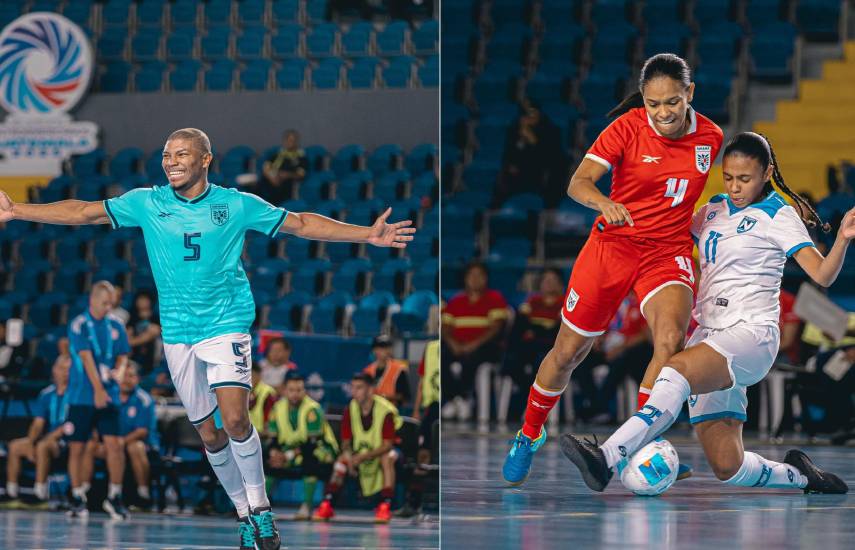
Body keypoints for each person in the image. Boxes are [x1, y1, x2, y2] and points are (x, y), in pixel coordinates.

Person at [0, 127, 414, 550]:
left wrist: (366, 234)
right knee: (210, 436)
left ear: (205, 160)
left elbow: (302, 223)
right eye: (167, 155)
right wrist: (17, 210)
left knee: (234, 420)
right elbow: (84, 212)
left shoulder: (236, 204)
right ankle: (243, 514)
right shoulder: (147, 202)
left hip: (225, 324)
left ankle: (261, 508)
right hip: (178, 335)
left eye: (182, 154)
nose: (171, 162)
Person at [561, 132, 853, 495]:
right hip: (710, 336)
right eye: (728, 177)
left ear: (767, 173)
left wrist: (843, 238)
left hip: (752, 336)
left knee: (675, 370)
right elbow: (667, 229)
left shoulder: (779, 215)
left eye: (744, 179)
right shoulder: (714, 208)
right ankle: (803, 476)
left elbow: (822, 274)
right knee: (728, 466)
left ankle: (607, 456)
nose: (735, 187)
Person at [502, 53, 724, 485]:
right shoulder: (626, 127)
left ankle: (635, 443)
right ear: (643, 99)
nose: (663, 113)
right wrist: (604, 202)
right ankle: (528, 434)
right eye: (654, 104)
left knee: (670, 341)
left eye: (673, 102)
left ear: (690, 94)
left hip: (667, 251)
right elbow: (577, 183)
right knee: (568, 352)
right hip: (613, 246)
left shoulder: (711, 137)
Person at [64, 280, 131, 519]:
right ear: (92, 300)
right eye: (104, 303)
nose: (108, 308)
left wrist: (120, 372)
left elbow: (123, 354)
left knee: (115, 445)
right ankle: (77, 496)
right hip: (82, 395)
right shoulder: (79, 324)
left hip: (109, 394)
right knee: (78, 447)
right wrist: (98, 390)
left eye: (111, 303)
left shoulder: (117, 324)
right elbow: (86, 358)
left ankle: (115, 496)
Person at [314, 372, 403, 523]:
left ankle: (385, 505)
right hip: (360, 453)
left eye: (359, 388)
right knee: (341, 461)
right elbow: (346, 442)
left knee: (387, 458)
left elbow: (387, 445)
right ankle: (328, 503)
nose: (354, 392)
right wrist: (349, 456)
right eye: (353, 388)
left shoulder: (386, 411)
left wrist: (362, 457)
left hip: (387, 452)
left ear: (370, 389)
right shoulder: (350, 408)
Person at [84, 363, 159, 509]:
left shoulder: (144, 399)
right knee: (89, 446)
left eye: (131, 376)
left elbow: (141, 432)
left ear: (138, 379)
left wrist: (116, 445)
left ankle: (143, 494)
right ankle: (83, 492)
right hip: (111, 444)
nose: (126, 380)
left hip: (142, 446)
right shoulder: (108, 396)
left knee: (135, 447)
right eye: (124, 375)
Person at [265, 371, 338, 520]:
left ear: (304, 390)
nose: (295, 394)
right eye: (291, 390)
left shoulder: (312, 409)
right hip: (289, 451)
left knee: (310, 460)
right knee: (266, 461)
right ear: (284, 390)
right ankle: (261, 509)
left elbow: (312, 443)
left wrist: (287, 456)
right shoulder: (277, 408)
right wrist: (274, 454)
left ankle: (306, 506)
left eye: (299, 390)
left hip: (321, 450)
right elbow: (273, 440)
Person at [441, 262, 509, 420]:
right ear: (465, 279)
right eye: (471, 275)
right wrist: (453, 344)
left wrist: (473, 345)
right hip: (458, 345)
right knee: (441, 355)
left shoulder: (495, 299)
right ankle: (456, 398)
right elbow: (445, 328)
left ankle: (463, 398)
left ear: (486, 279)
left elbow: (496, 328)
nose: (475, 279)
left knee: (474, 356)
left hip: (485, 346)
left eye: (479, 275)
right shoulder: (455, 301)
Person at [3, 357, 70, 508]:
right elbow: (38, 424)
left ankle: (40, 493)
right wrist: (31, 441)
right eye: (62, 369)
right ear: (54, 370)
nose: (65, 373)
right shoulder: (46, 394)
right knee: (15, 446)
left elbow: (69, 425)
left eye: (68, 370)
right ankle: (12, 492)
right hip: (45, 439)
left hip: (66, 441)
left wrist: (46, 439)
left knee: (43, 446)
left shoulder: (77, 394)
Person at [500, 268, 564, 419]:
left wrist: (535, 331)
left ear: (560, 285)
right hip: (529, 348)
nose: (549, 283)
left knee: (541, 365)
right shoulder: (531, 302)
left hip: (550, 350)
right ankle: (528, 400)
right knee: (510, 362)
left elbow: (557, 331)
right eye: (545, 280)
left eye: (553, 280)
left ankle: (524, 406)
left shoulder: (565, 303)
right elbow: (520, 326)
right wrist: (539, 331)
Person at [260, 129, 308, 206]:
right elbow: (266, 167)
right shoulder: (277, 155)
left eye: (292, 140)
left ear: (296, 142)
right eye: (288, 140)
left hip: (287, 183)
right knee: (258, 183)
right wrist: (271, 177)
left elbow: (301, 174)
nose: (290, 143)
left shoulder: (301, 157)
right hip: (271, 180)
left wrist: (286, 175)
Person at [363, 335, 411, 408]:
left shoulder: (399, 369)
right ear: (374, 350)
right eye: (381, 348)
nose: (386, 351)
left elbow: (404, 395)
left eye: (387, 347)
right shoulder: (368, 370)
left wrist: (384, 397)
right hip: (372, 410)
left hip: (391, 410)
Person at [126, 290, 162, 378]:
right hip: (135, 359)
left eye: (145, 299)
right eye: (140, 299)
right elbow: (127, 337)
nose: (142, 301)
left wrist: (132, 342)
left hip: (153, 359)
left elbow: (155, 331)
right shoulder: (132, 318)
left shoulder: (155, 317)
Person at [249, 363, 278, 434]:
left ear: (259, 375)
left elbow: (271, 418)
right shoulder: (243, 392)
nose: (248, 379)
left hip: (262, 435)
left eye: (251, 375)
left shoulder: (268, 393)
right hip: (245, 434)